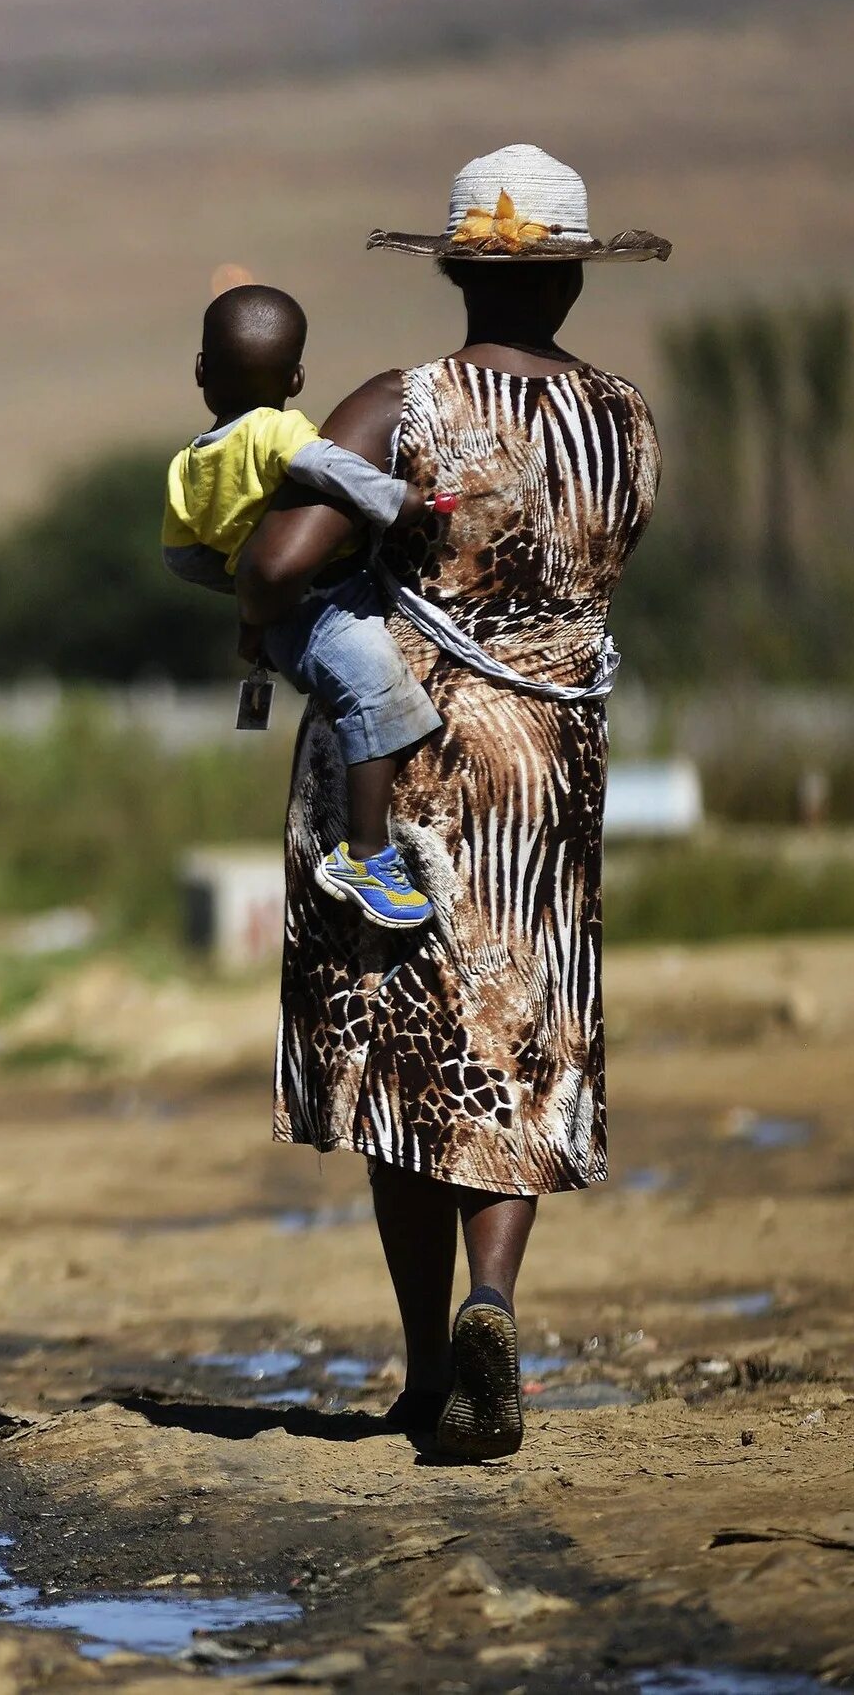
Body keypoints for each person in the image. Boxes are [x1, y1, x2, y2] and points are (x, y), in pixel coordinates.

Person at [239, 144, 666, 1462]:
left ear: (462, 269)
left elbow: (282, 558)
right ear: (574, 284)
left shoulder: (400, 404)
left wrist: (273, 571)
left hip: (415, 753)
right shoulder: (627, 420)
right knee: (522, 1033)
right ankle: (495, 1302)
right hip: (556, 756)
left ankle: (430, 1366)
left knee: (408, 1041)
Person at [163, 282, 445, 929]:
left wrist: (243, 590)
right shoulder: (278, 428)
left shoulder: (187, 464)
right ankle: (366, 853)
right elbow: (328, 466)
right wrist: (395, 501)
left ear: (202, 371)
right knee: (378, 695)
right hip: (325, 604)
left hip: (282, 624)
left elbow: (180, 559)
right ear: (296, 377)